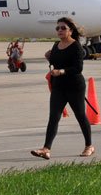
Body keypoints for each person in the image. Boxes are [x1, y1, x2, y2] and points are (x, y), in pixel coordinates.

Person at [31, 17, 93, 160]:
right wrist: (49, 58)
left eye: (63, 28)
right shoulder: (56, 45)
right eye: (57, 28)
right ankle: (46, 149)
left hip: (74, 86)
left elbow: (78, 68)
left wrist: (62, 71)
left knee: (80, 115)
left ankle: (89, 145)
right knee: (53, 117)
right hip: (59, 86)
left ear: (70, 30)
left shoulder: (76, 46)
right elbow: (55, 62)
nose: (59, 30)